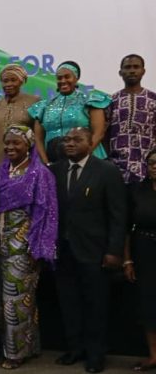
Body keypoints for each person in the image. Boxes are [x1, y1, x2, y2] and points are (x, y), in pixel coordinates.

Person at [50, 127, 127, 373]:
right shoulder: (55, 170)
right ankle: (75, 349)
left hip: (95, 251)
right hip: (63, 250)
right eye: (67, 139)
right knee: (69, 303)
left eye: (77, 139)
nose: (70, 143)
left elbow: (118, 214)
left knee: (96, 306)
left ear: (91, 142)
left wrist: (114, 250)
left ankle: (96, 355)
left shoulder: (106, 170)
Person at [0, 125, 59, 369]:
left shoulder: (40, 174)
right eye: (7, 142)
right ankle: (29, 346)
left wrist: (39, 246)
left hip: (25, 245)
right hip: (0, 243)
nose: (10, 147)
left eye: (16, 143)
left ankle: (15, 354)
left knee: (16, 300)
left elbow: (48, 213)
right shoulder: (0, 172)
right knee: (10, 299)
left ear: (28, 145)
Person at [29, 61, 111, 164]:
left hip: (89, 161)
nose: (63, 81)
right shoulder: (44, 106)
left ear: (76, 78)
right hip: (54, 163)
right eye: (59, 78)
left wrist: (81, 159)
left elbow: (98, 133)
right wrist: (46, 163)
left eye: (67, 77)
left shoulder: (90, 101)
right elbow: (38, 138)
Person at [124, 148, 156, 371]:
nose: (155, 166)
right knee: (148, 303)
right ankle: (154, 355)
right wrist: (127, 260)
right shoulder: (137, 189)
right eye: (152, 162)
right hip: (144, 250)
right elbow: (127, 227)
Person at [107, 54, 156, 184]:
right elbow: (105, 134)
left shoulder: (153, 99)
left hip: (147, 169)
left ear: (143, 71)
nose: (132, 71)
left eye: (136, 67)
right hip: (116, 169)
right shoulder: (112, 100)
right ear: (120, 72)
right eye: (127, 67)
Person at [0, 65, 39, 171]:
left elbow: (39, 136)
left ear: (21, 81)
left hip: (26, 164)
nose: (8, 84)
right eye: (5, 81)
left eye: (13, 80)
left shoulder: (34, 102)